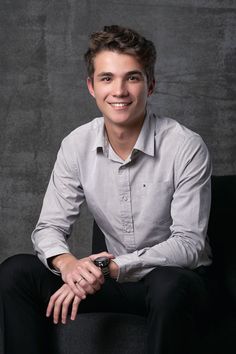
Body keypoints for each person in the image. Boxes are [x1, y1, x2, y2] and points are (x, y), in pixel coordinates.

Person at [0, 25, 212, 354]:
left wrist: (108, 267)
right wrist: (70, 266)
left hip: (176, 282)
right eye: (107, 78)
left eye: (133, 77)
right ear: (91, 86)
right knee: (16, 272)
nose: (120, 91)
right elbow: (49, 228)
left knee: (168, 284)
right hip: (111, 282)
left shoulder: (185, 146)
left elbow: (189, 245)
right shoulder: (76, 144)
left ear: (151, 84)